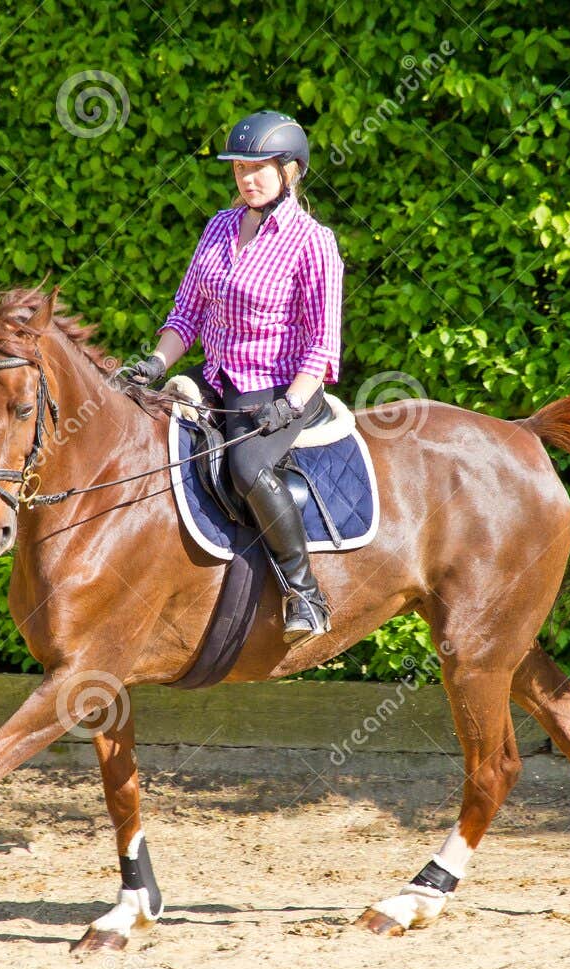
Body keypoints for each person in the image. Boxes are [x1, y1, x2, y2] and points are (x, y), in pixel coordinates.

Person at [120, 110, 344, 646]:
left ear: (291, 170)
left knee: (246, 464)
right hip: (218, 380)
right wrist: (154, 364)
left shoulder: (313, 242)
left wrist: (289, 405)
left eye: (259, 168)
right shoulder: (219, 226)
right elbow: (187, 315)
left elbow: (323, 345)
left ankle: (306, 595)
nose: (247, 178)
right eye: (240, 167)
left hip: (281, 390)